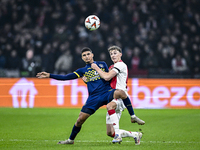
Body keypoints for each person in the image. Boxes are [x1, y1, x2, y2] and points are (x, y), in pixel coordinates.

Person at [36, 47, 143, 145]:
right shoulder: (82, 71)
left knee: (121, 92)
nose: (86, 56)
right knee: (80, 120)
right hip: (94, 98)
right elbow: (66, 77)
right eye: (84, 55)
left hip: (107, 92)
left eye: (88, 54)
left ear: (92, 55)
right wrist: (49, 75)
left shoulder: (102, 64)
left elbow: (108, 77)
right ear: (82, 58)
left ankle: (132, 116)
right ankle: (70, 140)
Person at [91, 46, 144, 144]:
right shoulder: (112, 67)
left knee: (109, 106)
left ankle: (118, 136)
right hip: (112, 96)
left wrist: (97, 68)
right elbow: (105, 79)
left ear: (120, 54)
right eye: (111, 54)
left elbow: (107, 77)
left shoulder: (121, 65)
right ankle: (135, 134)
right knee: (110, 132)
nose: (113, 55)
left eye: (115, 53)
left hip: (119, 96)